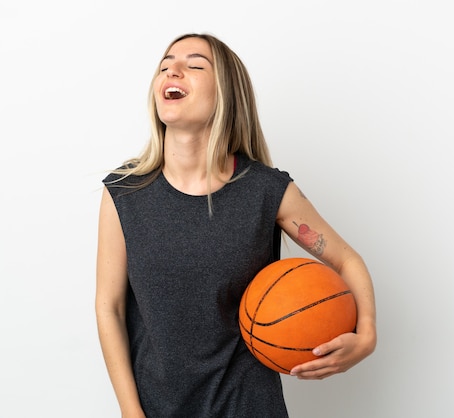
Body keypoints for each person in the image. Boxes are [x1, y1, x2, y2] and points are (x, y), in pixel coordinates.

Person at [95, 33, 377, 417]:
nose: (172, 70)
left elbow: (347, 260)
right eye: (165, 65)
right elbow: (109, 307)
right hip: (157, 408)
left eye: (194, 65)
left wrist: (366, 337)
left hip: (248, 404)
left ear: (226, 94)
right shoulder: (125, 191)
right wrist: (131, 412)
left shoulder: (265, 190)